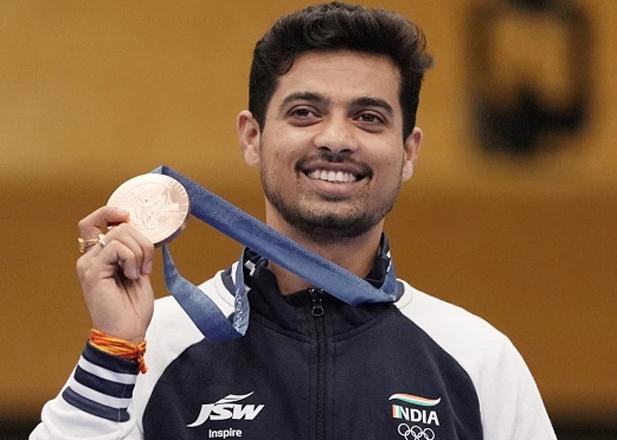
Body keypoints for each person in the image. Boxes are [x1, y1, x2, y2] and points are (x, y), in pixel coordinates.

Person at [31, 2, 556, 439]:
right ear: (252, 136)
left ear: (409, 150)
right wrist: (115, 348)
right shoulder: (156, 344)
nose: (336, 138)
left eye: (369, 117)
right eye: (304, 112)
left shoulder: (477, 359)